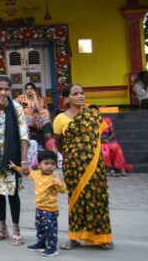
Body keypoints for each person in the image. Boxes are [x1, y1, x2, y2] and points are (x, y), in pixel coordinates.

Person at [53, 84, 113, 250]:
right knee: (76, 200)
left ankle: (102, 238)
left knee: (98, 199)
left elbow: (100, 137)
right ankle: (74, 238)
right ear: (66, 99)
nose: (80, 96)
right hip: (73, 167)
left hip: (95, 166)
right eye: (75, 94)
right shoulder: (60, 119)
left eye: (81, 93)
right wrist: (74, 156)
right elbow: (59, 142)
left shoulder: (93, 115)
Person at [0, 75, 30, 246]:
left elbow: (23, 134)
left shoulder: (16, 107)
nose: (3, 92)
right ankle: (1, 229)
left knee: (13, 192)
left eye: (6, 89)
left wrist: (24, 160)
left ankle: (16, 230)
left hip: (12, 155)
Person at [11, 150, 67, 257]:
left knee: (50, 229)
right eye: (46, 163)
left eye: (52, 164)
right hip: (39, 208)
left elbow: (63, 190)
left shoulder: (54, 177)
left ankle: (52, 248)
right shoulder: (37, 174)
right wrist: (16, 167)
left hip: (51, 209)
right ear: (39, 165)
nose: (49, 166)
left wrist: (58, 183)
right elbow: (26, 172)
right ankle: (41, 244)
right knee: (40, 226)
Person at [18, 83, 54, 152]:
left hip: (39, 122)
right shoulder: (21, 98)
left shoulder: (40, 98)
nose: (29, 90)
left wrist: (35, 98)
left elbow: (40, 110)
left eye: (31, 89)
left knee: (45, 112)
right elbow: (14, 106)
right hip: (27, 122)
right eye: (27, 89)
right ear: (25, 90)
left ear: (34, 90)